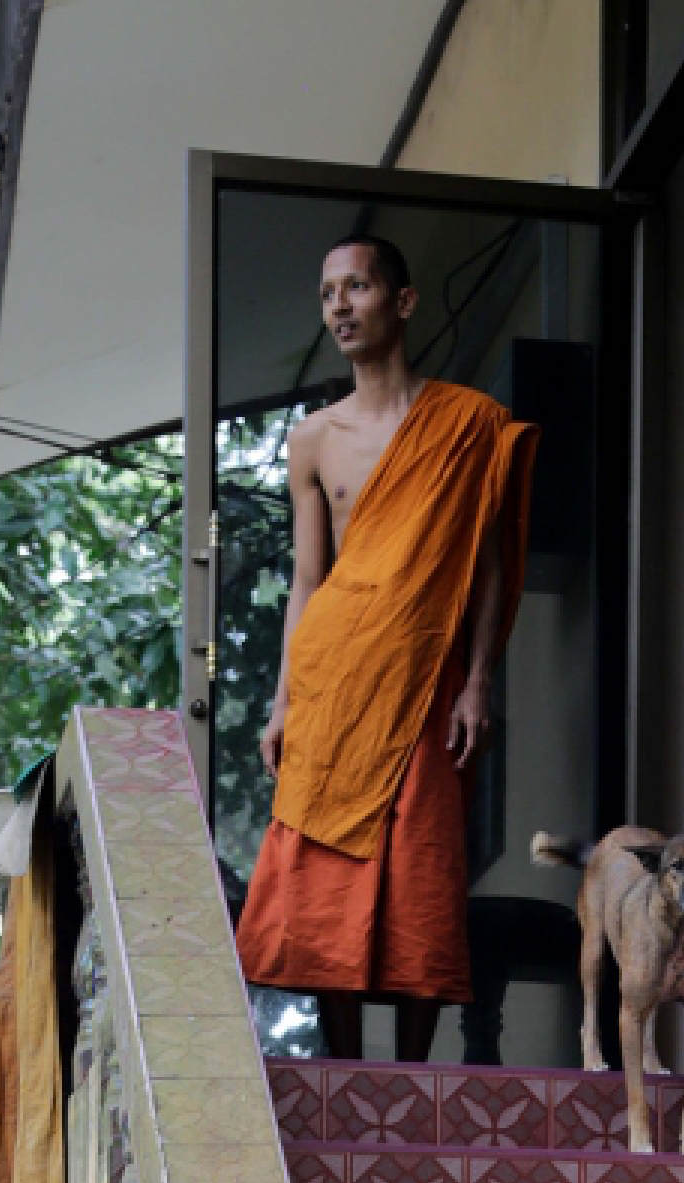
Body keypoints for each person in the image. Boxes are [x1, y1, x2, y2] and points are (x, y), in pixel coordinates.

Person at [234, 235, 538, 1063]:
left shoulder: (469, 425)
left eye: (357, 286)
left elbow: (486, 566)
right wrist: (283, 700)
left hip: (427, 677)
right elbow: (307, 578)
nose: (338, 305)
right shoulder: (312, 440)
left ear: (401, 303)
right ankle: (339, 1068)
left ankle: (410, 1075)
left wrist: (479, 681)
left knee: (421, 867)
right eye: (328, 290)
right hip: (334, 679)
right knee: (326, 872)